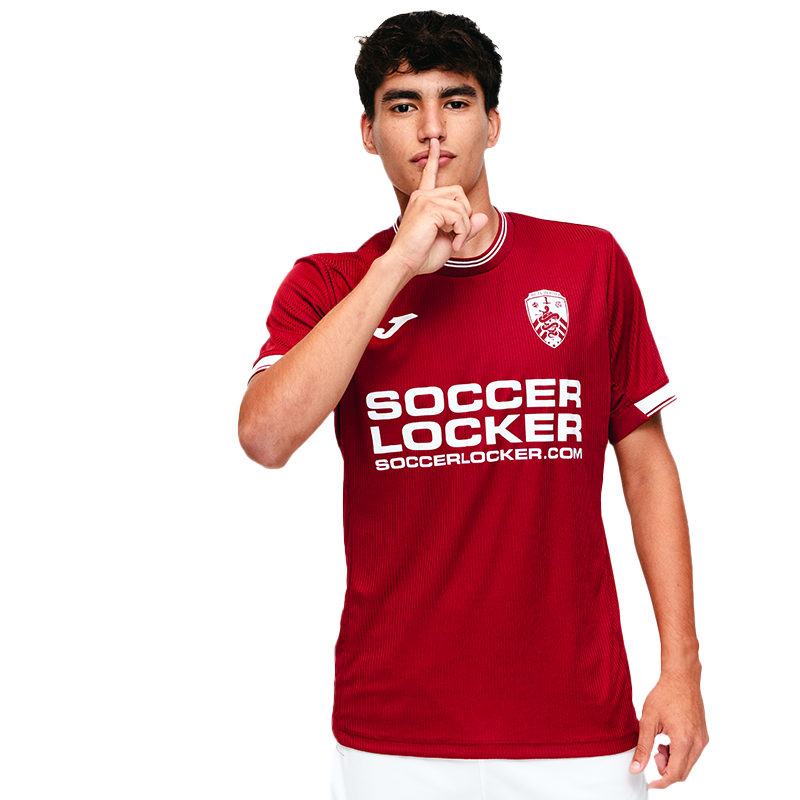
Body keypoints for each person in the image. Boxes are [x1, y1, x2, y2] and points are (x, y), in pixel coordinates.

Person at [238, 9, 709, 798]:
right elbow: (264, 437)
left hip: (576, 727)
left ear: (492, 123)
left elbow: (647, 468)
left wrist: (682, 669)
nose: (431, 128)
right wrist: (395, 268)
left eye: (455, 101)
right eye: (403, 104)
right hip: (394, 733)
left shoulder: (588, 261)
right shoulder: (328, 284)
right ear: (367, 133)